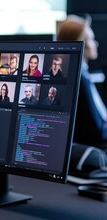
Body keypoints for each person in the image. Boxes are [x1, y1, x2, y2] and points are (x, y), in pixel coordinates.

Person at [57, 14, 100, 144]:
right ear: (81, 43)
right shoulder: (80, 78)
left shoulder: (70, 74)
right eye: (91, 40)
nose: (96, 44)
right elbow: (97, 128)